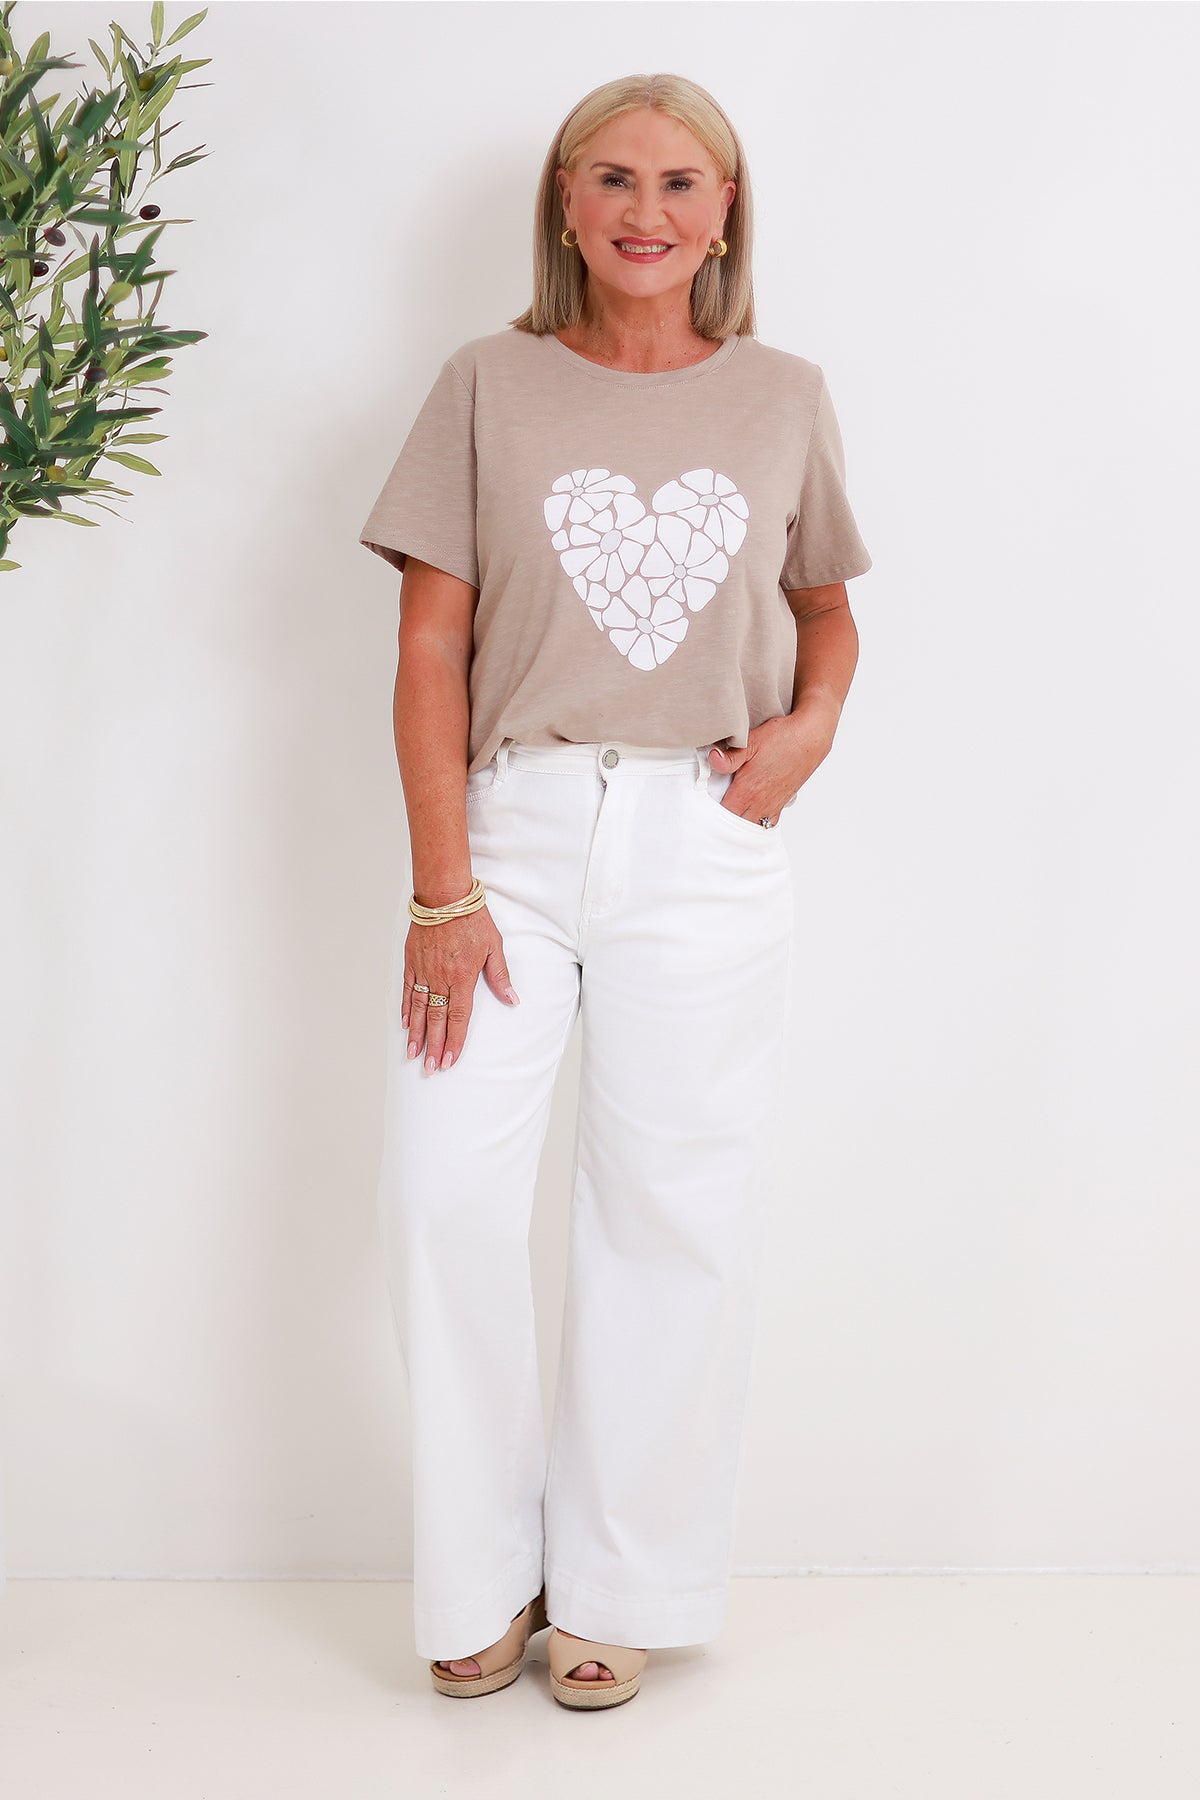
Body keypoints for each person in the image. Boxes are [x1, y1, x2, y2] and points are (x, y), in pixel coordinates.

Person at [357, 71, 872, 1711]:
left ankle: (620, 1583)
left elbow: (827, 607)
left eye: (679, 183)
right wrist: (442, 890)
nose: (645, 211)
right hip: (506, 837)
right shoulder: (486, 384)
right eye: (612, 179)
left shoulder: (784, 395)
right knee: (444, 1194)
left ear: (725, 216)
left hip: (703, 842)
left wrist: (810, 729)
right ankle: (477, 1576)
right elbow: (429, 646)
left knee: (669, 1212)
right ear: (566, 206)